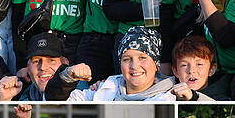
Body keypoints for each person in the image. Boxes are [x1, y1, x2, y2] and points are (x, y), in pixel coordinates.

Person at [45, 26, 178, 101]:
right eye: (126, 59)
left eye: (142, 58)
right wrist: (67, 76)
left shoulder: (172, 98)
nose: (134, 66)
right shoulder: (102, 91)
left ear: (156, 64)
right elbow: (53, 102)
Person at [0, 32, 86, 101]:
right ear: (28, 67)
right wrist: (4, 100)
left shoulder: (84, 93)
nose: (42, 67)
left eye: (51, 60)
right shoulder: (25, 96)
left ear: (65, 63)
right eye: (36, 61)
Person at [172, 35, 230, 100]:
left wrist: (193, 98)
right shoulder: (166, 94)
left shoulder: (223, 97)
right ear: (176, 71)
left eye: (199, 64)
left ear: (211, 69)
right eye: (184, 65)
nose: (191, 70)